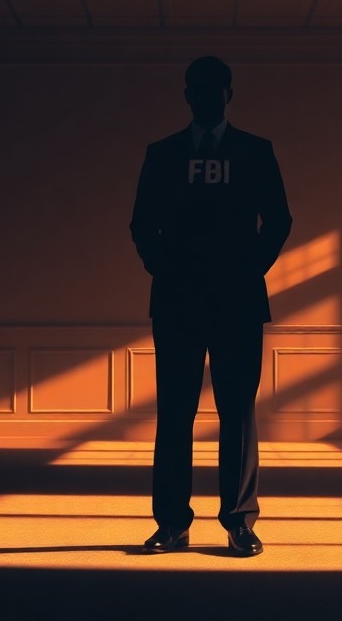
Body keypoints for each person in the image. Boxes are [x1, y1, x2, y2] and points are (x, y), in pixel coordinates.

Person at [129, 55, 292, 557]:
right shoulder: (163, 155)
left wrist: (247, 272)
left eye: (213, 88)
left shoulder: (255, 152)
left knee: (237, 413)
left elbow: (280, 220)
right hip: (180, 302)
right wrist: (170, 273)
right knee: (175, 414)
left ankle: (239, 522)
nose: (205, 97)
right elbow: (141, 224)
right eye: (197, 89)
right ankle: (173, 523)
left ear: (228, 94)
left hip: (236, 302)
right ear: (188, 95)